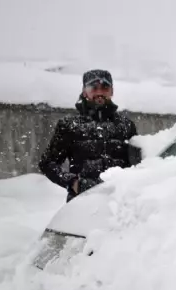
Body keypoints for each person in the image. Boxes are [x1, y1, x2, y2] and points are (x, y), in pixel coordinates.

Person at [39, 69, 140, 202]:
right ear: (84, 91)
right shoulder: (70, 125)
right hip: (81, 203)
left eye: (105, 87)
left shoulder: (126, 125)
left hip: (118, 205)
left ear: (112, 91)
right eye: (93, 87)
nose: (99, 92)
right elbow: (48, 163)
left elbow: (137, 166)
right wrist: (74, 183)